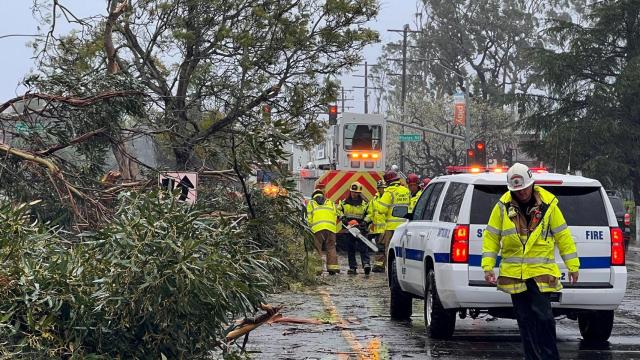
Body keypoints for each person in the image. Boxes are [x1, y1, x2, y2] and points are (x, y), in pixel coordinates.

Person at [482, 163, 580, 360]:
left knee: (543, 318)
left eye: (525, 188)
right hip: (515, 275)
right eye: (518, 190)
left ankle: (550, 357)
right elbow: (492, 237)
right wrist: (487, 266)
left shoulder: (549, 205)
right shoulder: (502, 207)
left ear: (532, 184)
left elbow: (563, 236)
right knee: (525, 320)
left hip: (540, 273)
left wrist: (573, 265)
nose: (523, 193)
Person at [374, 171, 411, 271]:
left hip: (391, 228)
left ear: (388, 181)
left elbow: (382, 209)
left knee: (390, 250)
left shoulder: (389, 192)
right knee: (403, 250)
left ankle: (391, 271)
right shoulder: (406, 191)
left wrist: (376, 204)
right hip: (405, 226)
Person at [338, 182, 370, 275]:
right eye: (353, 192)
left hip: (361, 228)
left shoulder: (364, 204)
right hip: (349, 229)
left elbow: (370, 214)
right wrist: (342, 217)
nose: (354, 194)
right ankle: (352, 267)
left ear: (359, 193)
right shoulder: (344, 203)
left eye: (356, 193)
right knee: (350, 249)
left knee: (363, 247)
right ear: (350, 192)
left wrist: (365, 222)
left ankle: (366, 264)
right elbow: (338, 210)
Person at [306, 188, 340, 275]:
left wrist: (309, 228)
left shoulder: (311, 203)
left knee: (318, 248)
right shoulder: (330, 202)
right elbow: (336, 215)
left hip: (317, 228)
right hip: (331, 228)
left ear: (313, 196)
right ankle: (333, 268)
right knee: (331, 247)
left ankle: (318, 269)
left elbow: (309, 218)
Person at [366, 180, 387, 272]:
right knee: (380, 248)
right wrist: (365, 221)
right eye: (379, 188)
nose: (381, 189)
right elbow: (370, 213)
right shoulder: (374, 200)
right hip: (377, 228)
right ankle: (380, 266)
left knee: (383, 248)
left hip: (387, 228)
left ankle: (381, 266)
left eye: (382, 188)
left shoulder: (388, 198)